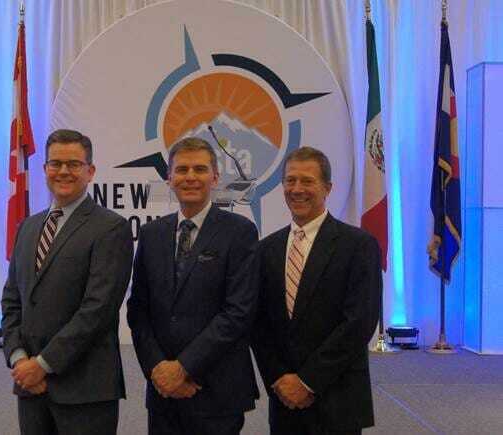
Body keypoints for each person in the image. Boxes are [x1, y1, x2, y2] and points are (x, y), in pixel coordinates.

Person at [1, 129, 133, 435]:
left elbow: (97, 310)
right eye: (55, 163)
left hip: (84, 389)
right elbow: (12, 300)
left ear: (90, 171)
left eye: (73, 164)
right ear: (45, 169)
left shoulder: (111, 228)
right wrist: (20, 359)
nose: (63, 171)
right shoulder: (28, 227)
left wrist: (42, 365)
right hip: (31, 387)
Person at [127, 137, 259, 435]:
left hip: (217, 389)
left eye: (199, 169)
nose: (190, 177)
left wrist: (183, 368)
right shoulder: (151, 235)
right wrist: (158, 369)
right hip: (163, 392)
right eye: (181, 169)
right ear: (169, 178)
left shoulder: (240, 232)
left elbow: (238, 312)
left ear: (215, 178)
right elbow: (138, 311)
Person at [251, 146, 382, 435]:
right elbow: (259, 324)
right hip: (284, 400)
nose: (297, 189)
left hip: (338, 399)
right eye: (290, 180)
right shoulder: (266, 250)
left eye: (307, 181)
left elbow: (359, 322)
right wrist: (279, 379)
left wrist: (307, 382)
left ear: (327, 188)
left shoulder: (358, 246)